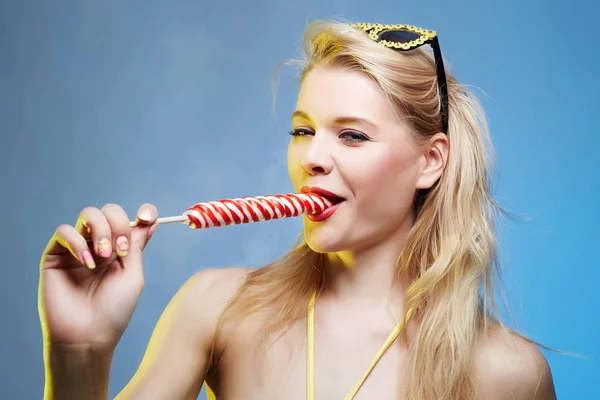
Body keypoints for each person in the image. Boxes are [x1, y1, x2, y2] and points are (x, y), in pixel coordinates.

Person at [38, 20, 557, 400]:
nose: (312, 157)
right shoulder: (219, 309)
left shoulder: (506, 373)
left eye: (351, 135)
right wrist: (78, 352)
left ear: (430, 161)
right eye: (303, 131)